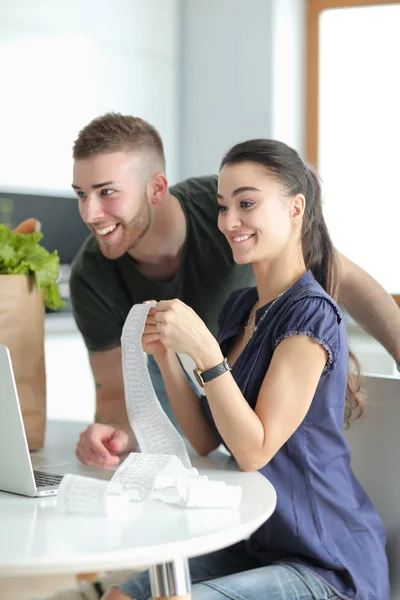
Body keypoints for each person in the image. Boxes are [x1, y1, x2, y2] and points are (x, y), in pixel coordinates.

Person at [102, 139, 389, 600]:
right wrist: (166, 354)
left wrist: (205, 354)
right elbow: (205, 437)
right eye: (222, 206)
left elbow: (254, 450)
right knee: (122, 595)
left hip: (325, 560)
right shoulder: (243, 307)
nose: (228, 222)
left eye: (247, 203)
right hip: (255, 539)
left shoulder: (312, 315)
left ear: (296, 208)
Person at [70, 113, 400, 468]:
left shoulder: (234, 219)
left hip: (261, 423)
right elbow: (125, 402)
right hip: (200, 417)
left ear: (157, 189)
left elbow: (338, 272)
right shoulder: (93, 274)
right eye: (81, 194)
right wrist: (113, 434)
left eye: (106, 192)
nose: (89, 213)